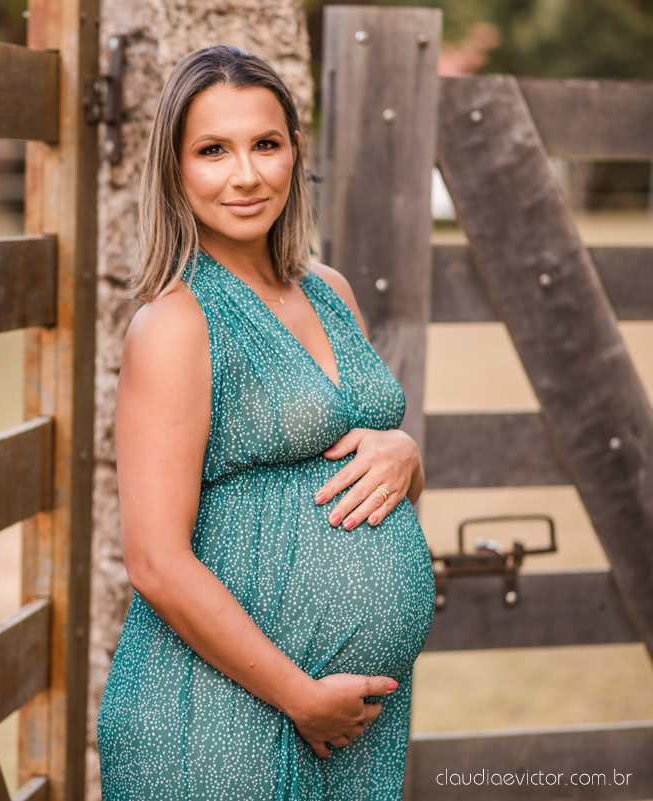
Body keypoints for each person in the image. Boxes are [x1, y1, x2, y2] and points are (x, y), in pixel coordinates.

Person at [95, 44, 436, 800]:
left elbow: (377, 485)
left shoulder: (331, 291)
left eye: (266, 145)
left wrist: (406, 455)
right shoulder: (176, 323)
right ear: (176, 170)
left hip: (345, 722)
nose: (245, 175)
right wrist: (298, 694)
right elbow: (154, 559)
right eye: (212, 150)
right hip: (220, 722)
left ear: (294, 154)